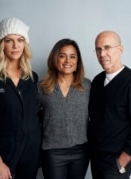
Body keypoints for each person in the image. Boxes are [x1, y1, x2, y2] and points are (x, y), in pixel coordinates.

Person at [0, 17, 41, 179]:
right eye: (9, 40)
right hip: (3, 154)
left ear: (25, 44)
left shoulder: (32, 78)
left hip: (31, 154)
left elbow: (36, 115)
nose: (15, 46)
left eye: (20, 40)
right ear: (1, 44)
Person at [88, 31, 131, 179]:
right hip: (96, 158)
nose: (102, 54)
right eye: (98, 49)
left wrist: (121, 162)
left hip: (116, 161)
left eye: (107, 47)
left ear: (120, 50)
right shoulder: (97, 82)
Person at [38, 38, 91, 179]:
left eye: (72, 56)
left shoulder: (87, 86)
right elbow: (31, 119)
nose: (68, 60)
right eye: (62, 56)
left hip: (81, 151)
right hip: (52, 151)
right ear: (55, 59)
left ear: (77, 61)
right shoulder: (42, 87)